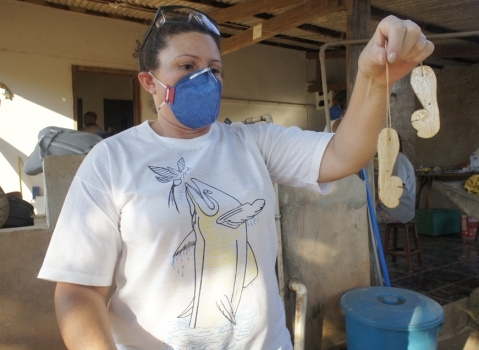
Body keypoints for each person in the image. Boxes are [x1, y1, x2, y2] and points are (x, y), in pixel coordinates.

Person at [38, 5, 434, 349]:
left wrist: (374, 80)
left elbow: (343, 154)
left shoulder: (253, 142)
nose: (204, 79)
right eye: (186, 66)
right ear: (149, 82)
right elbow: (77, 292)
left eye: (213, 69)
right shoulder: (111, 160)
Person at [375, 137, 416, 223]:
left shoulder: (399, 159)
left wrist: (377, 200)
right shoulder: (394, 159)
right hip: (396, 208)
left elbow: (397, 187)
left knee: (364, 214)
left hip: (399, 211)